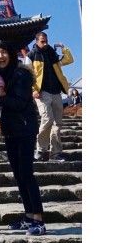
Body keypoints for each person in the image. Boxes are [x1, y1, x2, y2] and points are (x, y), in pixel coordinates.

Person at [0, 40, 47, 236]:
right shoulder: (0, 75)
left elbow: (19, 102)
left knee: (26, 173)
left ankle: (39, 219)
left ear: (12, 54)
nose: (1, 56)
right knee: (18, 174)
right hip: (11, 130)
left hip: (24, 128)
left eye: (4, 52)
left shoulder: (20, 73)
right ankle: (29, 215)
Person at [29, 32, 74, 162]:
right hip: (42, 92)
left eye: (46, 41)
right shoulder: (31, 55)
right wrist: (33, 89)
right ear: (36, 41)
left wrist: (63, 47)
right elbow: (27, 73)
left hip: (56, 91)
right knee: (47, 118)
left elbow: (69, 60)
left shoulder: (53, 54)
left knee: (57, 123)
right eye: (42, 41)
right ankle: (40, 149)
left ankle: (56, 153)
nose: (45, 43)